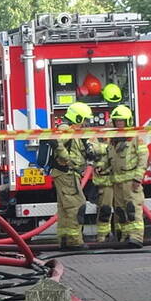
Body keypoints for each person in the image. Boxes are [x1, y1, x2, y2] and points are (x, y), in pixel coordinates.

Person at [51, 102, 93, 250]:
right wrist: (67, 159)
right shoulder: (65, 129)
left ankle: (65, 239)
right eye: (84, 120)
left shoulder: (71, 131)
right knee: (77, 205)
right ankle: (75, 241)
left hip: (65, 174)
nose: (85, 124)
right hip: (67, 173)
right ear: (78, 117)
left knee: (65, 208)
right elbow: (54, 141)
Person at [107, 104, 148, 247]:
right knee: (120, 212)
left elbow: (143, 157)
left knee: (133, 209)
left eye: (121, 121)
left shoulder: (135, 137)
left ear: (128, 121)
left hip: (131, 181)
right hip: (117, 182)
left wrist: (138, 177)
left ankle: (136, 237)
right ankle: (125, 237)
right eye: (116, 121)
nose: (119, 123)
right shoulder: (113, 139)